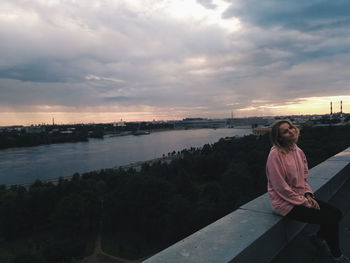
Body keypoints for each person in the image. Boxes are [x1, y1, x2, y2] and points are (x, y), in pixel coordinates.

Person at [266, 119, 349, 262]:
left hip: (301, 197)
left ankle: (318, 238)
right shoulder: (275, 155)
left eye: (290, 127)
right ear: (279, 137)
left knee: (337, 213)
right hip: (285, 203)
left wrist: (308, 194)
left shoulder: (298, 150)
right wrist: (304, 201)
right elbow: (280, 187)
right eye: (285, 131)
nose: (291, 131)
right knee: (329, 218)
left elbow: (303, 178)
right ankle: (337, 255)